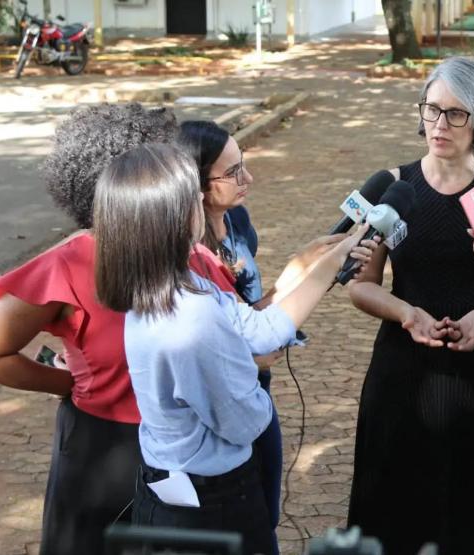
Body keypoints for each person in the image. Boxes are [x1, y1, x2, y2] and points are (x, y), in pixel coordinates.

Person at [92, 143, 373, 555]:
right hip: (209, 505)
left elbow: (260, 330)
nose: (200, 203)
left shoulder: (170, 282)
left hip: (177, 488)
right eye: (193, 196)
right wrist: (247, 369)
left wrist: (322, 265)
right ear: (172, 216)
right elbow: (245, 421)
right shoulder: (191, 319)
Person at [0, 104, 236, 555]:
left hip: (186, 452)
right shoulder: (70, 262)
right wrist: (69, 383)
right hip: (102, 455)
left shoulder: (196, 258)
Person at [345, 56, 474, 554]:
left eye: (456, 114)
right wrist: (406, 314)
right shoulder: (394, 187)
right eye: (432, 110)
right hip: (403, 371)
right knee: (398, 511)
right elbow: (361, 285)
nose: (439, 124)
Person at [177, 120, 342, 550]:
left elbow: (250, 317)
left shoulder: (237, 223)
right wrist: (249, 356)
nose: (246, 178)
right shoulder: (178, 256)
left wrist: (300, 269)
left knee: (265, 515)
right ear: (193, 182)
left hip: (257, 395)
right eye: (232, 173)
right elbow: (199, 344)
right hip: (213, 421)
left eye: (244, 165)